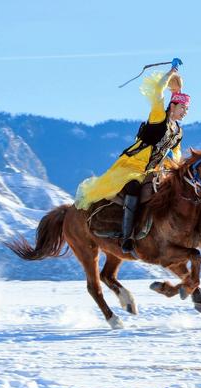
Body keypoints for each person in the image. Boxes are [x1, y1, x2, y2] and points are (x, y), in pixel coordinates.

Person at [74, 58, 190, 253]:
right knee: (134, 188)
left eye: (187, 109)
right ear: (172, 106)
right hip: (132, 167)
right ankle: (127, 237)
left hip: (153, 170)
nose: (185, 112)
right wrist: (170, 72)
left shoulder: (178, 131)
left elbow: (177, 155)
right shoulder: (158, 117)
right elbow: (157, 92)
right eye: (182, 108)